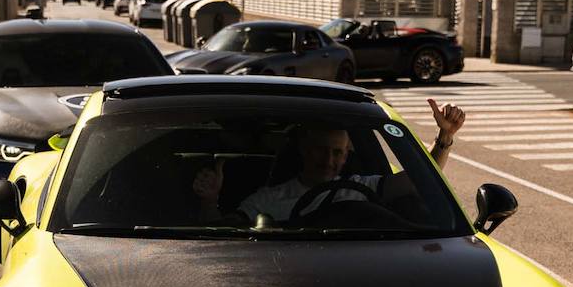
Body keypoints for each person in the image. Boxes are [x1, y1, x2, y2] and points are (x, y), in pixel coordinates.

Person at [193, 97, 466, 222]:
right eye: (320, 150)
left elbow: (420, 182)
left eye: (337, 152)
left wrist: (444, 136)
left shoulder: (364, 187)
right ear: (304, 150)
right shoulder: (268, 200)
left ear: (347, 155)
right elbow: (222, 234)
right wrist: (208, 200)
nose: (329, 159)